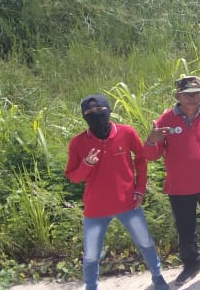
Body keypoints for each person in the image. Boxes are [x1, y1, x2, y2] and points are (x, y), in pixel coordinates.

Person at [65, 94, 169, 290]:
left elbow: (141, 159)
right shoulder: (78, 143)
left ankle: (157, 276)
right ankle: (91, 287)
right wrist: (86, 164)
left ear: (109, 111)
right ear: (83, 117)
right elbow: (73, 176)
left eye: (99, 111)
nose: (95, 115)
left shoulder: (126, 133)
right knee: (91, 254)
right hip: (95, 208)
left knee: (145, 242)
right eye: (89, 113)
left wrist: (139, 190)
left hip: (128, 203)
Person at [144, 76, 200, 284]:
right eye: (188, 94)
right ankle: (192, 265)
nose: (193, 97)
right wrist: (151, 140)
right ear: (178, 96)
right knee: (185, 229)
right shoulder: (165, 119)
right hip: (179, 187)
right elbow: (151, 156)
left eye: (197, 93)